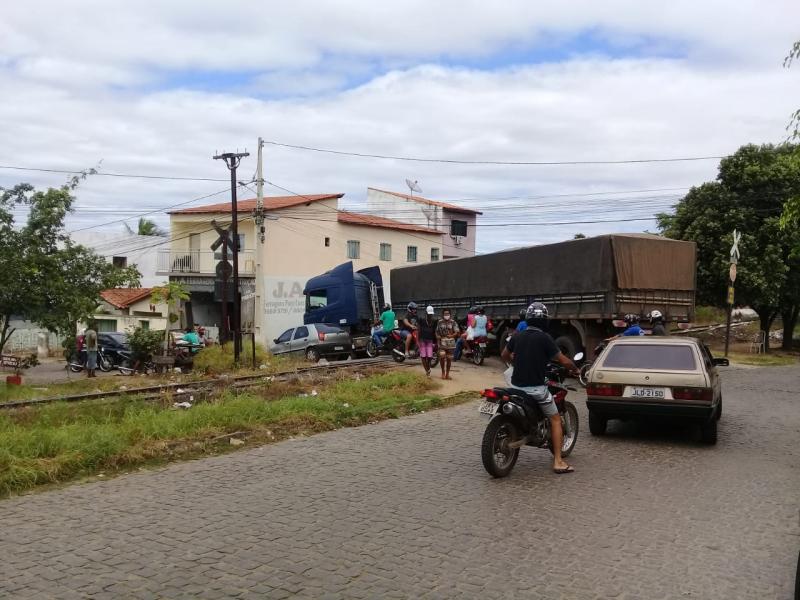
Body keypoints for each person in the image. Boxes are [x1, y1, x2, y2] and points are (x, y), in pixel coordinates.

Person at [500, 302, 579, 475]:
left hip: (515, 388)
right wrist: (575, 369)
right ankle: (558, 461)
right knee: (556, 419)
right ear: (545, 320)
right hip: (536, 390)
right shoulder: (545, 338)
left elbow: (504, 355)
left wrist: (515, 360)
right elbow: (563, 361)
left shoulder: (517, 336)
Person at [436, 308, 460, 379]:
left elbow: (457, 332)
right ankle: (443, 372)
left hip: (450, 344)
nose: (446, 315)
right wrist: (438, 339)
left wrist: (452, 335)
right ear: (443, 315)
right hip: (442, 343)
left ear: (450, 314)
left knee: (449, 359)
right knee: (442, 356)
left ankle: (447, 374)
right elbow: (437, 332)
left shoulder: (453, 322)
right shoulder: (439, 322)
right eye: (445, 314)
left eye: (448, 314)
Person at [418, 306, 438, 376]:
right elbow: (419, 330)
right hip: (422, 340)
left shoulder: (434, 321)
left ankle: (428, 369)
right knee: (423, 356)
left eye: (431, 314)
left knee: (429, 357)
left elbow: (435, 331)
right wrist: (418, 341)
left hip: (430, 340)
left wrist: (437, 341)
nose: (430, 315)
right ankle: (427, 371)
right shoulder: (422, 320)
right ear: (426, 313)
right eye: (429, 314)